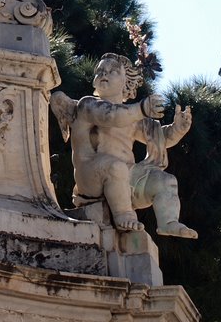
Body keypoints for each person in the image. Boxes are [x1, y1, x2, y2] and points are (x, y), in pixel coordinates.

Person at [51, 53, 197, 238]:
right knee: (115, 167)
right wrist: (142, 109)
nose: (105, 73)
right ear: (95, 81)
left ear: (126, 83)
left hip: (127, 179)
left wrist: (178, 129)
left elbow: (160, 138)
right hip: (91, 177)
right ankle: (124, 215)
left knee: (166, 181)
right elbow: (111, 116)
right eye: (100, 71)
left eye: (112, 71)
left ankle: (168, 222)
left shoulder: (134, 118)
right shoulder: (87, 105)